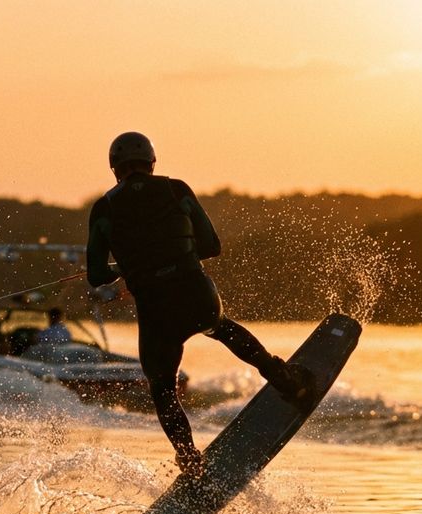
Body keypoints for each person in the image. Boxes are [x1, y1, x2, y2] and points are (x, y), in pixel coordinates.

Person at [86, 131, 313, 476]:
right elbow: (210, 246)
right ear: (152, 163)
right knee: (222, 328)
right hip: (195, 294)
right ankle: (284, 379)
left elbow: (96, 274)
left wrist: (126, 268)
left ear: (115, 169)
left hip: (155, 311)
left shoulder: (104, 208)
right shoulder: (177, 189)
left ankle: (190, 459)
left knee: (163, 388)